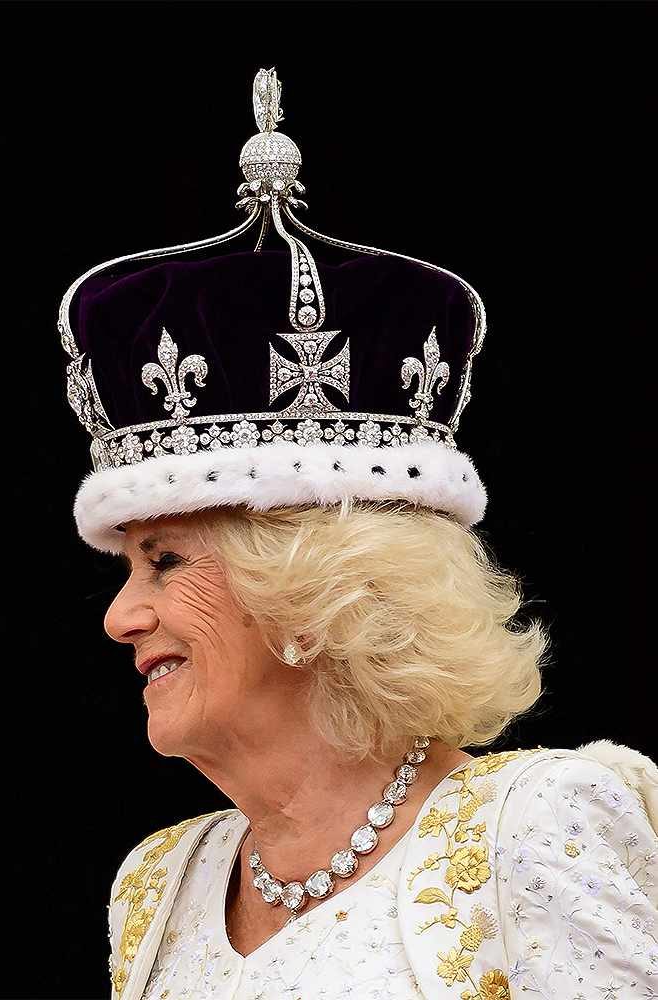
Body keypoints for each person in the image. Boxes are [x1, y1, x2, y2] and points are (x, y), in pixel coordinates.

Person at [57, 69, 658, 999]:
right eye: (129, 566)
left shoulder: (532, 825)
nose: (120, 617)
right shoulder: (158, 884)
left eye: (164, 561)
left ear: (316, 589)